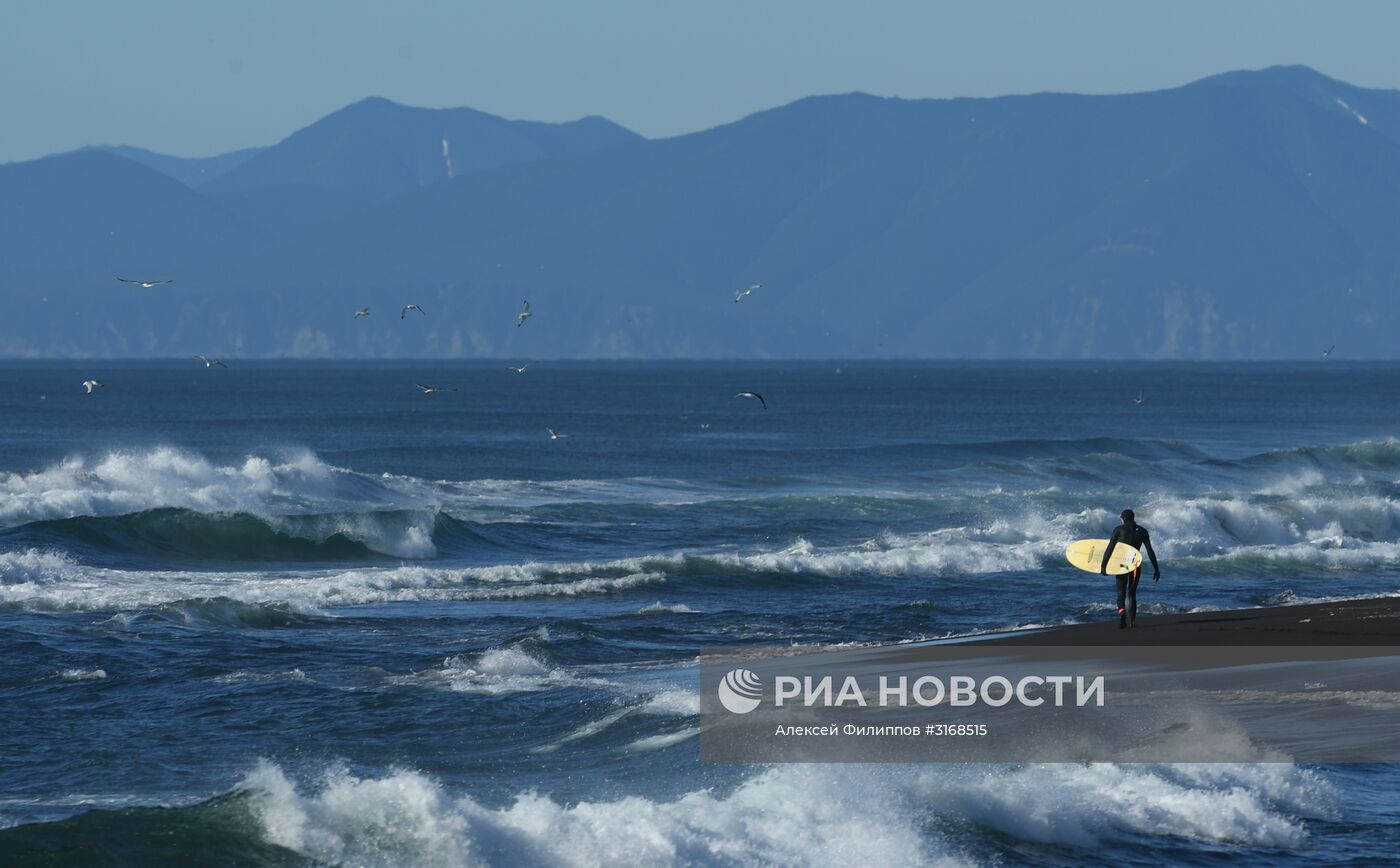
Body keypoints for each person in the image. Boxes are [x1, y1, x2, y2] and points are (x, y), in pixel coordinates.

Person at [1100, 508, 1160, 629]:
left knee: (1120, 592)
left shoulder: (1118, 529)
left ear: (1125, 518)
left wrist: (1103, 566)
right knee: (1132, 593)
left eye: (1121, 518)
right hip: (1135, 565)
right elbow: (1150, 551)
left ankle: (1121, 611)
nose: (1121, 520)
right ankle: (1132, 622)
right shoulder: (1143, 531)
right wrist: (1156, 568)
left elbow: (1110, 549)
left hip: (1121, 564)